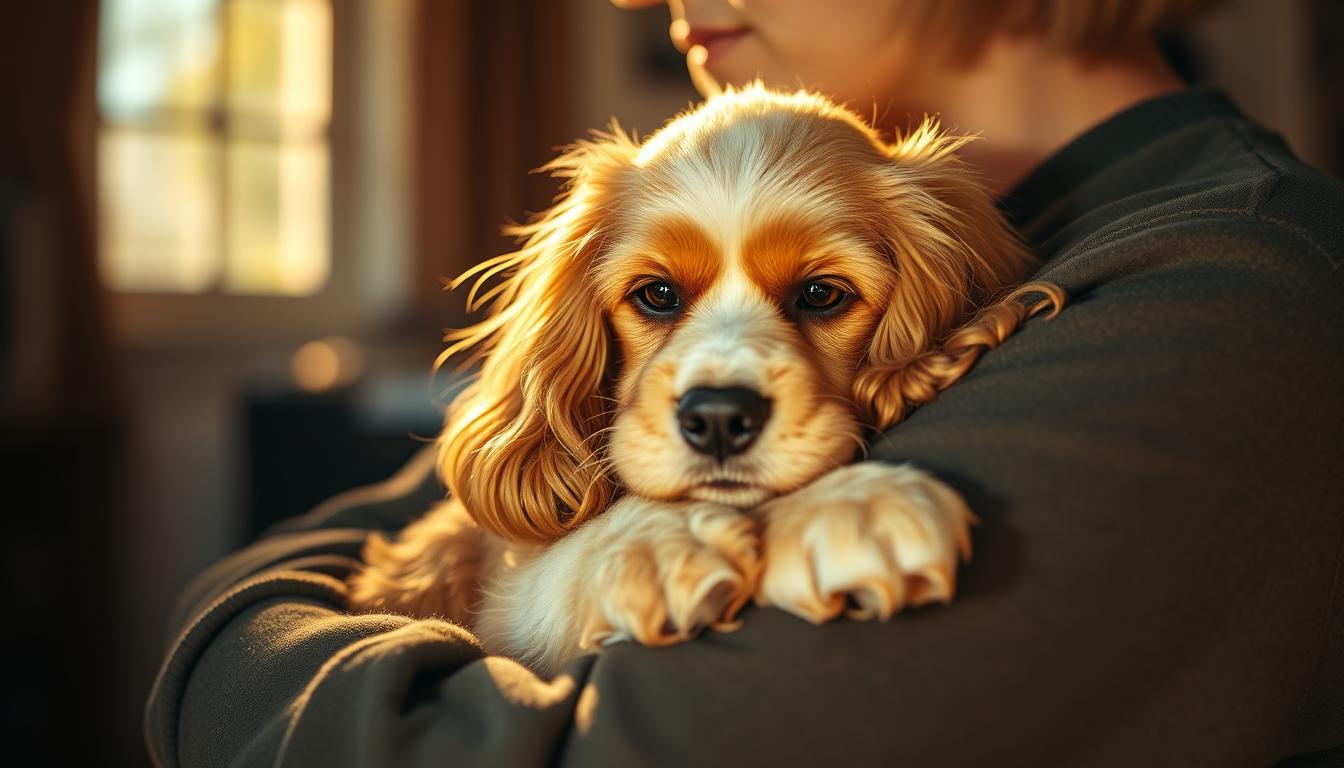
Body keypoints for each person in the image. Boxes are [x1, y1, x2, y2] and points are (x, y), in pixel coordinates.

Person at [146, 1, 1344, 764]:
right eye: (654, 301)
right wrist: (228, 642)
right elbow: (439, 511)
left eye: (821, 296)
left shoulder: (1239, 287)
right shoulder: (922, 214)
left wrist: (232, 668)